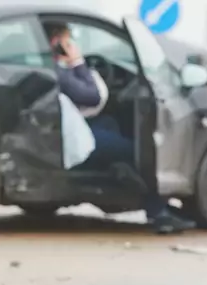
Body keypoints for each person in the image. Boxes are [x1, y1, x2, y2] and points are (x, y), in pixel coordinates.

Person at [43, 21, 196, 234]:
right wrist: (78, 62)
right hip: (68, 138)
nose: (72, 45)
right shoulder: (58, 71)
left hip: (67, 128)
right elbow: (92, 96)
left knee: (110, 124)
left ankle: (120, 181)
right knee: (135, 150)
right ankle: (156, 210)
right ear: (56, 42)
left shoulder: (48, 67)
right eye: (68, 40)